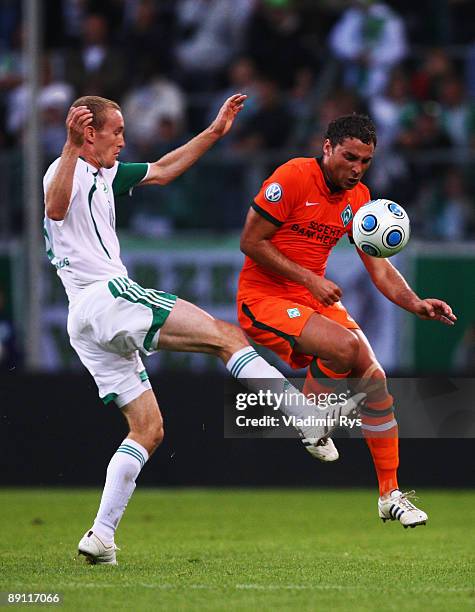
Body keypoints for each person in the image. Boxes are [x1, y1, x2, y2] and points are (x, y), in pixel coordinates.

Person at [43, 95, 365, 565]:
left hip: (84, 319)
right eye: (117, 131)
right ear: (89, 133)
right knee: (228, 337)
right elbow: (54, 209)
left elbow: (164, 169)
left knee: (148, 430)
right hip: (106, 296)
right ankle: (303, 417)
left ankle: (101, 536)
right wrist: (70, 147)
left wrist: (215, 131)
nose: (124, 140)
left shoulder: (107, 173)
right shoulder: (64, 168)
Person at [237, 113, 457, 528]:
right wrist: (308, 278)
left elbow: (379, 268)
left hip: (311, 298)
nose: (357, 169)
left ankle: (390, 494)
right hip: (263, 297)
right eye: (350, 157)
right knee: (346, 347)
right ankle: (310, 418)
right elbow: (250, 241)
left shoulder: (360, 200)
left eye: (366, 161)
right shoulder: (292, 177)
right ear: (328, 148)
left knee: (374, 379)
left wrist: (415, 303)